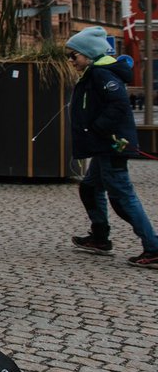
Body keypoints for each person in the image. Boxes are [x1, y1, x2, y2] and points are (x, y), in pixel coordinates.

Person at [65, 26, 158, 268]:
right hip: (104, 146)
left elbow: (117, 106)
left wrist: (96, 128)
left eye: (73, 55)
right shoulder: (97, 71)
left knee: (124, 198)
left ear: (88, 54)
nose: (71, 60)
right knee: (89, 187)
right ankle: (100, 238)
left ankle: (154, 247)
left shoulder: (101, 74)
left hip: (111, 146)